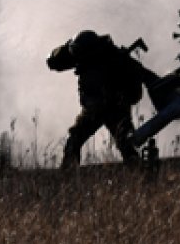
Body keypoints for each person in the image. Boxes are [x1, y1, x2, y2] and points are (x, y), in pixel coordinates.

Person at [46, 30, 159, 168]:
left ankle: (139, 174)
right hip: (93, 109)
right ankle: (68, 174)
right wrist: (61, 53)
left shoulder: (114, 58)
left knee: (126, 143)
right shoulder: (80, 51)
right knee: (74, 140)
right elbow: (53, 61)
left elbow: (144, 77)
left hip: (115, 109)